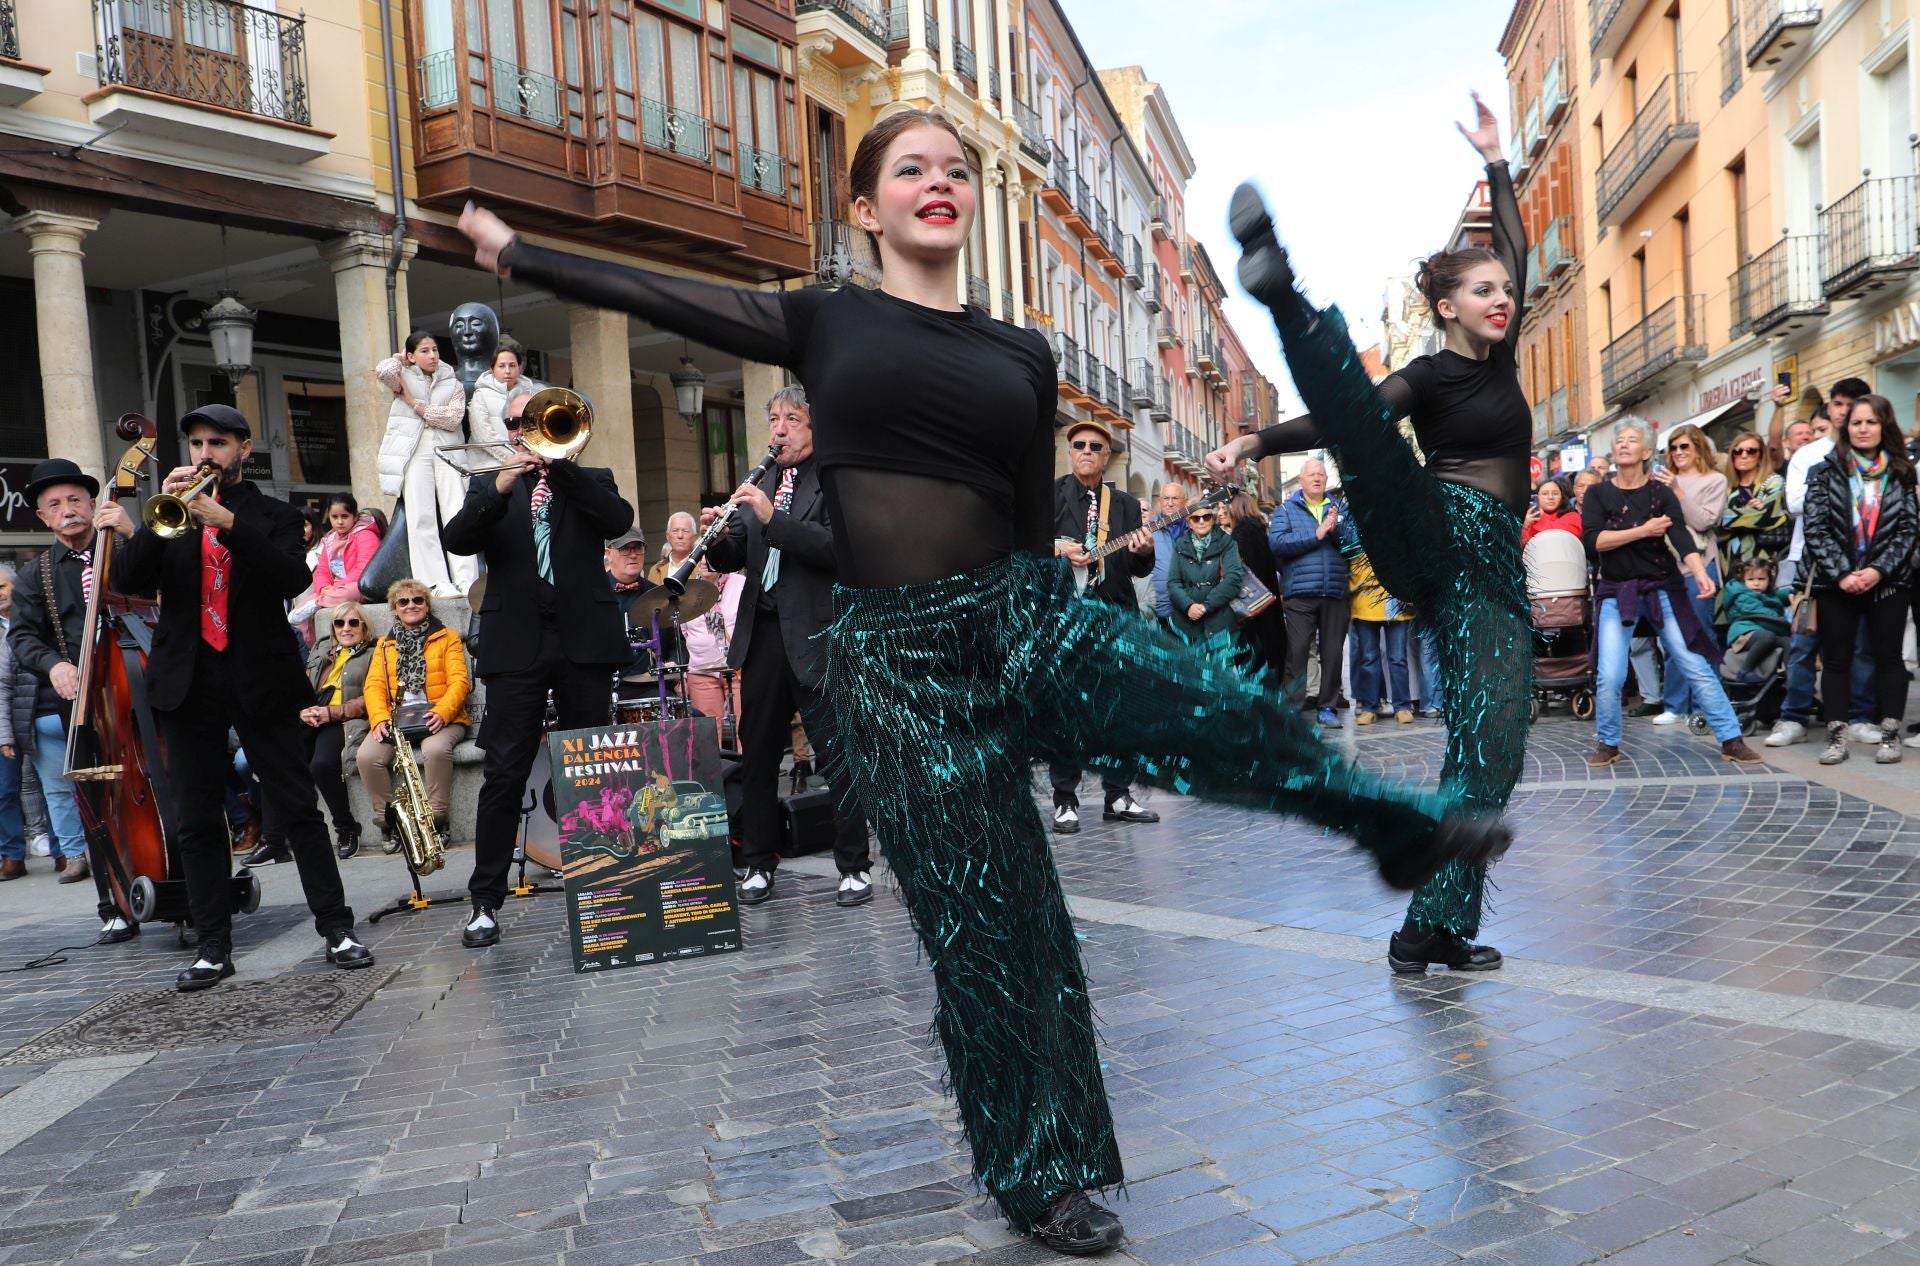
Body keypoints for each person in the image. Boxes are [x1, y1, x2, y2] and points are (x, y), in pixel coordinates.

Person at [456, 108, 1507, 1254]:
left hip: (1012, 610)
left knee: (1201, 700)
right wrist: (523, 254)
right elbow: (670, 299)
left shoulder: (1023, 352)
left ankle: (1387, 828)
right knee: (995, 925)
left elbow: (1014, 509)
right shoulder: (826, 320)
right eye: (911, 169)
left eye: (956, 169)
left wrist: (1047, 616)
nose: (939, 182)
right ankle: (1037, 1173)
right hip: (895, 657)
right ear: (866, 208)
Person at [114, 405, 373, 989]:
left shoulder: (275, 515)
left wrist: (227, 522)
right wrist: (159, 522)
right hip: (189, 684)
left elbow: (292, 579)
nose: (206, 453)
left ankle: (336, 927)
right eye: (198, 444)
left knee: (299, 808)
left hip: (260, 679)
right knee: (198, 820)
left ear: (244, 448)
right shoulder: (170, 514)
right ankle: (212, 944)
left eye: (219, 443)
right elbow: (129, 580)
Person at [441, 391, 634, 948]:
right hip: (515, 644)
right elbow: (458, 539)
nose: (527, 431)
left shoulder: (591, 475)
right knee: (503, 772)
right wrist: (501, 484)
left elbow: (617, 520)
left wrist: (562, 468)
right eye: (516, 423)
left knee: (594, 771)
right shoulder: (488, 484)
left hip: (583, 642)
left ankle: (608, 887)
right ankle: (485, 901)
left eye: (536, 421)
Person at [700, 385, 873, 906]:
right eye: (774, 418)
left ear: (815, 427)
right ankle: (757, 862)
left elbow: (837, 552)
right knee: (757, 759)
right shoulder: (764, 479)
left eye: (792, 420)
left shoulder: (837, 480)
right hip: (763, 635)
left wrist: (773, 519)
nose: (778, 430)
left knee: (835, 753)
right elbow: (742, 558)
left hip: (818, 634)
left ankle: (854, 865)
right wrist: (720, 538)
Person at [5, 462, 142, 937]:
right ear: (43, 518)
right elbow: (22, 637)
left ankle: (178, 886)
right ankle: (115, 904)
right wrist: (54, 665)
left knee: (165, 790)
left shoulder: (127, 547)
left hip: (143, 689)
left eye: (75, 500)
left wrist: (133, 535)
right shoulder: (35, 574)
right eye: (55, 505)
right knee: (94, 803)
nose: (68, 511)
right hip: (83, 706)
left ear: (93, 503)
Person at [1583, 425, 1762, 768]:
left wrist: (1698, 572)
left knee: (1694, 663)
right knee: (1611, 674)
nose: (1623, 445)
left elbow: (1680, 535)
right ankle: (1608, 743)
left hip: (1663, 586)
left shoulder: (1660, 492)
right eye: (1619, 441)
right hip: (1616, 590)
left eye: (1632, 440)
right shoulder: (1598, 494)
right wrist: (1644, 531)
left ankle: (1731, 740)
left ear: (1647, 452)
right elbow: (1593, 542)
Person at [1048, 417, 1157, 835]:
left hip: (1115, 615)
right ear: (1071, 450)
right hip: (1066, 616)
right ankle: (1065, 800)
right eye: (1080, 445)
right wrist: (1057, 547)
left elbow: (1137, 566)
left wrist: (1145, 551)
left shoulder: (1126, 505)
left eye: (1096, 446)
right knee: (1067, 709)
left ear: (1107, 455)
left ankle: (1118, 794)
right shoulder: (1050, 496)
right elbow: (1021, 546)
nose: (1087, 452)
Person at [1802, 394, 1917, 765]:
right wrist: (1842, 574)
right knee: (1836, 660)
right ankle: (1837, 738)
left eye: (1871, 422)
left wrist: (1877, 570)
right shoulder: (1825, 471)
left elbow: (1908, 528)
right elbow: (1815, 529)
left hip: (1888, 581)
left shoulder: (1901, 471)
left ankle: (1889, 736)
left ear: (1885, 426)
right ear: (1845, 427)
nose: (1863, 428)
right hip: (1838, 584)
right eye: (1856, 422)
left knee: (1889, 659)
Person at [1767, 378, 1879, 748]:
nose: (1845, 411)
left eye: (1853, 404)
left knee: (1862, 645)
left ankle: (1860, 715)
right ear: (1830, 408)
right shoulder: (1809, 455)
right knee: (1804, 643)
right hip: (1812, 565)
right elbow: (1796, 504)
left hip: (1863, 563)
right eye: (1839, 404)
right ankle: (1794, 715)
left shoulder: (1878, 455)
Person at [357, 578, 472, 843]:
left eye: (418, 600)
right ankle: (389, 822)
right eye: (403, 601)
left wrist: (442, 713)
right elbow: (373, 686)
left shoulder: (447, 638)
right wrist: (380, 718)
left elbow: (459, 682)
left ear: (427, 606)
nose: (411, 605)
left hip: (441, 716)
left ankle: (437, 820)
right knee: (366, 756)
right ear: (394, 608)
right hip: (398, 718)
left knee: (434, 749)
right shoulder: (385, 646)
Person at [375, 331, 473, 597]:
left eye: (435, 350)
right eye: (425, 351)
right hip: (415, 451)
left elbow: (452, 419)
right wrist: (400, 360)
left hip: (448, 451)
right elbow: (383, 371)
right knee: (422, 516)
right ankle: (435, 581)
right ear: (411, 356)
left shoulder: (453, 384)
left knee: (457, 512)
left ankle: (466, 579)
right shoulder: (402, 374)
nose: (432, 355)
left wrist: (413, 404)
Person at [1649, 424, 1728, 725]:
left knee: (1701, 634)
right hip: (1665, 565)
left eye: (1685, 446)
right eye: (1674, 447)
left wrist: (1678, 491)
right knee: (1671, 638)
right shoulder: (1660, 480)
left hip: (1698, 566)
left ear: (1698, 449)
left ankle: (1707, 705)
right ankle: (1676, 704)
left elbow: (1704, 521)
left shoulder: (1714, 480)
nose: (1679, 452)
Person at [1270, 459, 1351, 726]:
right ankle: (1293, 706)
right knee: (1297, 650)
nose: (1316, 478)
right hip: (1300, 593)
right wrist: (1316, 534)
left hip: (1335, 590)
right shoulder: (1285, 509)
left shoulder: (1339, 510)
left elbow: (1353, 545)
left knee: (1333, 652)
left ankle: (1327, 707)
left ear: (1326, 480)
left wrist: (1334, 529)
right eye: (1311, 474)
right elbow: (1277, 544)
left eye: (1321, 474)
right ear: (1301, 480)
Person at [299, 601, 375, 859]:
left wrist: (330, 713)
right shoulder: (323, 651)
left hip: (342, 720)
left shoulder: (373, 654)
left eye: (353, 622)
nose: (346, 628)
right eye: (339, 623)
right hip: (313, 716)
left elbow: (371, 699)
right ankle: (275, 840)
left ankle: (346, 828)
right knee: (278, 760)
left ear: (364, 627)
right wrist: (303, 710)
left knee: (321, 764)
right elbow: (303, 686)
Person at [1346, 535, 1415, 724]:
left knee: (1398, 658)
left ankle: (1402, 706)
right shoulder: (1355, 526)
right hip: (1364, 600)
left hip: (1396, 602)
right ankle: (1369, 707)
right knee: (1368, 658)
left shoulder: (1398, 525)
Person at [679, 557, 744, 748]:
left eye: (711, 557)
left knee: (747, 729)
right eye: (701, 558)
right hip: (701, 671)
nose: (705, 562)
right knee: (706, 736)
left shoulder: (740, 583)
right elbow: (684, 632)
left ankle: (747, 775)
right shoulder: (687, 590)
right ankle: (714, 777)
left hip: (739, 669)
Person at [1220, 492, 1284, 679]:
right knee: (1270, 655)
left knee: (1254, 660)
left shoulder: (1241, 534)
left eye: (1226, 509)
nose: (1222, 513)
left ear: (1236, 509)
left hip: (1252, 607)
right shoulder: (1259, 530)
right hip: (1267, 603)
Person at [1168, 495, 1243, 644]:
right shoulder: (1180, 545)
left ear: (1213, 518)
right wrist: (1188, 605)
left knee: (1221, 666)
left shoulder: (1227, 543)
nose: (1201, 521)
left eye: (1206, 516)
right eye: (1196, 518)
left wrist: (1205, 606)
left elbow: (1234, 579)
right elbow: (1173, 583)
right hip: (1186, 622)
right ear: (1188, 522)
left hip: (1220, 621)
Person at [1720, 429, 1788, 577]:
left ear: (1760, 456)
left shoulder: (1774, 481)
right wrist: (1746, 513)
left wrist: (1727, 518)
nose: (1743, 455)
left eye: (1751, 451)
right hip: (1730, 559)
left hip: (1764, 560)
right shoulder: (1725, 486)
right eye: (1738, 451)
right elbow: (1713, 521)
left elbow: (1763, 516)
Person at [1721, 559, 1792, 682]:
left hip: (1760, 630)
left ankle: (1792, 680)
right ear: (1744, 580)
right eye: (1751, 579)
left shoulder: (1765, 593)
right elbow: (1761, 614)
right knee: (1767, 636)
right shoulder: (1742, 596)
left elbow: (1774, 597)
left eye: (1761, 579)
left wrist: (1792, 593)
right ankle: (1744, 671)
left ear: (1769, 580)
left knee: (1789, 642)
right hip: (1743, 633)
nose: (1756, 583)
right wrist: (1787, 626)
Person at [311, 493, 383, 611]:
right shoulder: (329, 540)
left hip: (359, 585)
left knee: (349, 592)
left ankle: (319, 603)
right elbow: (321, 570)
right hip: (333, 590)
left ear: (355, 517)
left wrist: (336, 587)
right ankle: (318, 603)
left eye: (345, 516)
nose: (339, 522)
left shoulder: (366, 535)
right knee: (298, 611)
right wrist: (323, 588)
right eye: (334, 517)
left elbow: (365, 568)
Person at [467, 345, 533, 448]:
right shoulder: (480, 395)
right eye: (501, 366)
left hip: (527, 458)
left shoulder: (530, 395)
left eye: (512, 365)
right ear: (492, 369)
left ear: (519, 368)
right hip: (486, 460)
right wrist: (513, 456)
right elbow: (483, 436)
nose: (507, 371)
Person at [1147, 481, 1188, 625]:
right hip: (1159, 609)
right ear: (1160, 501)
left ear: (1185, 501)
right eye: (1166, 498)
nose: (1170, 503)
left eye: (1175, 498)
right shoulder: (1147, 530)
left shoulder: (1194, 528)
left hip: (1190, 609)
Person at [1520, 477, 1581, 545]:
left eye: (1555, 493)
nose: (1550, 497)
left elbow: (1559, 537)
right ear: (1537, 497)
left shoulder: (1573, 517)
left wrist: (1542, 517)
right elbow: (1523, 546)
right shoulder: (1528, 520)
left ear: (1561, 497)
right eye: (1545, 494)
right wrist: (1524, 527)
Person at [647, 512, 699, 585]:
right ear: (667, 536)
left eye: (685, 531)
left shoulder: (702, 568)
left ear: (694, 537)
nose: (680, 536)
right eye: (675, 531)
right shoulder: (655, 570)